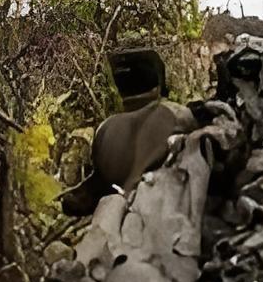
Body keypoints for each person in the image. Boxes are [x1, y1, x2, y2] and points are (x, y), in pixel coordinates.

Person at [57, 43, 189, 219]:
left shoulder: (105, 129)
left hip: (123, 220)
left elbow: (101, 182)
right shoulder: (178, 115)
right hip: (168, 219)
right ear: (158, 83)